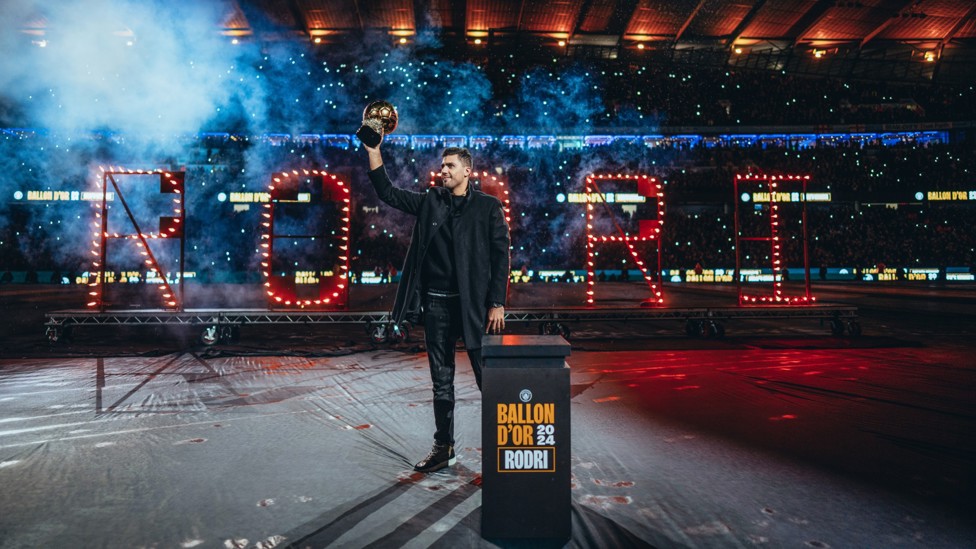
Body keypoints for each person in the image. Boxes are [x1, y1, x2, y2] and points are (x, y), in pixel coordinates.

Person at [364, 139, 511, 473]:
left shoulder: (488, 207)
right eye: (442, 166)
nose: (443, 170)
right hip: (436, 307)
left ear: (467, 172)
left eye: (450, 166)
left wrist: (497, 302)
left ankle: (501, 450)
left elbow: (501, 257)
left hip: (474, 308)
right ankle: (443, 448)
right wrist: (374, 150)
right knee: (441, 382)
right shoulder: (431, 200)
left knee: (488, 380)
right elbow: (387, 192)